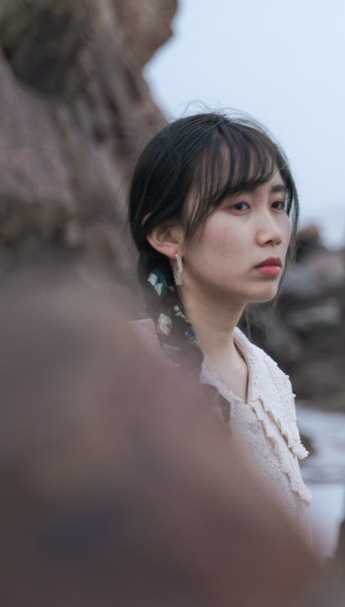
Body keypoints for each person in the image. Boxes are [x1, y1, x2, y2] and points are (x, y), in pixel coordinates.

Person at [126, 112, 313, 540]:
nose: (272, 233)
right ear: (166, 234)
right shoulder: (127, 364)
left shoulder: (273, 382)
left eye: (278, 205)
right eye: (239, 207)